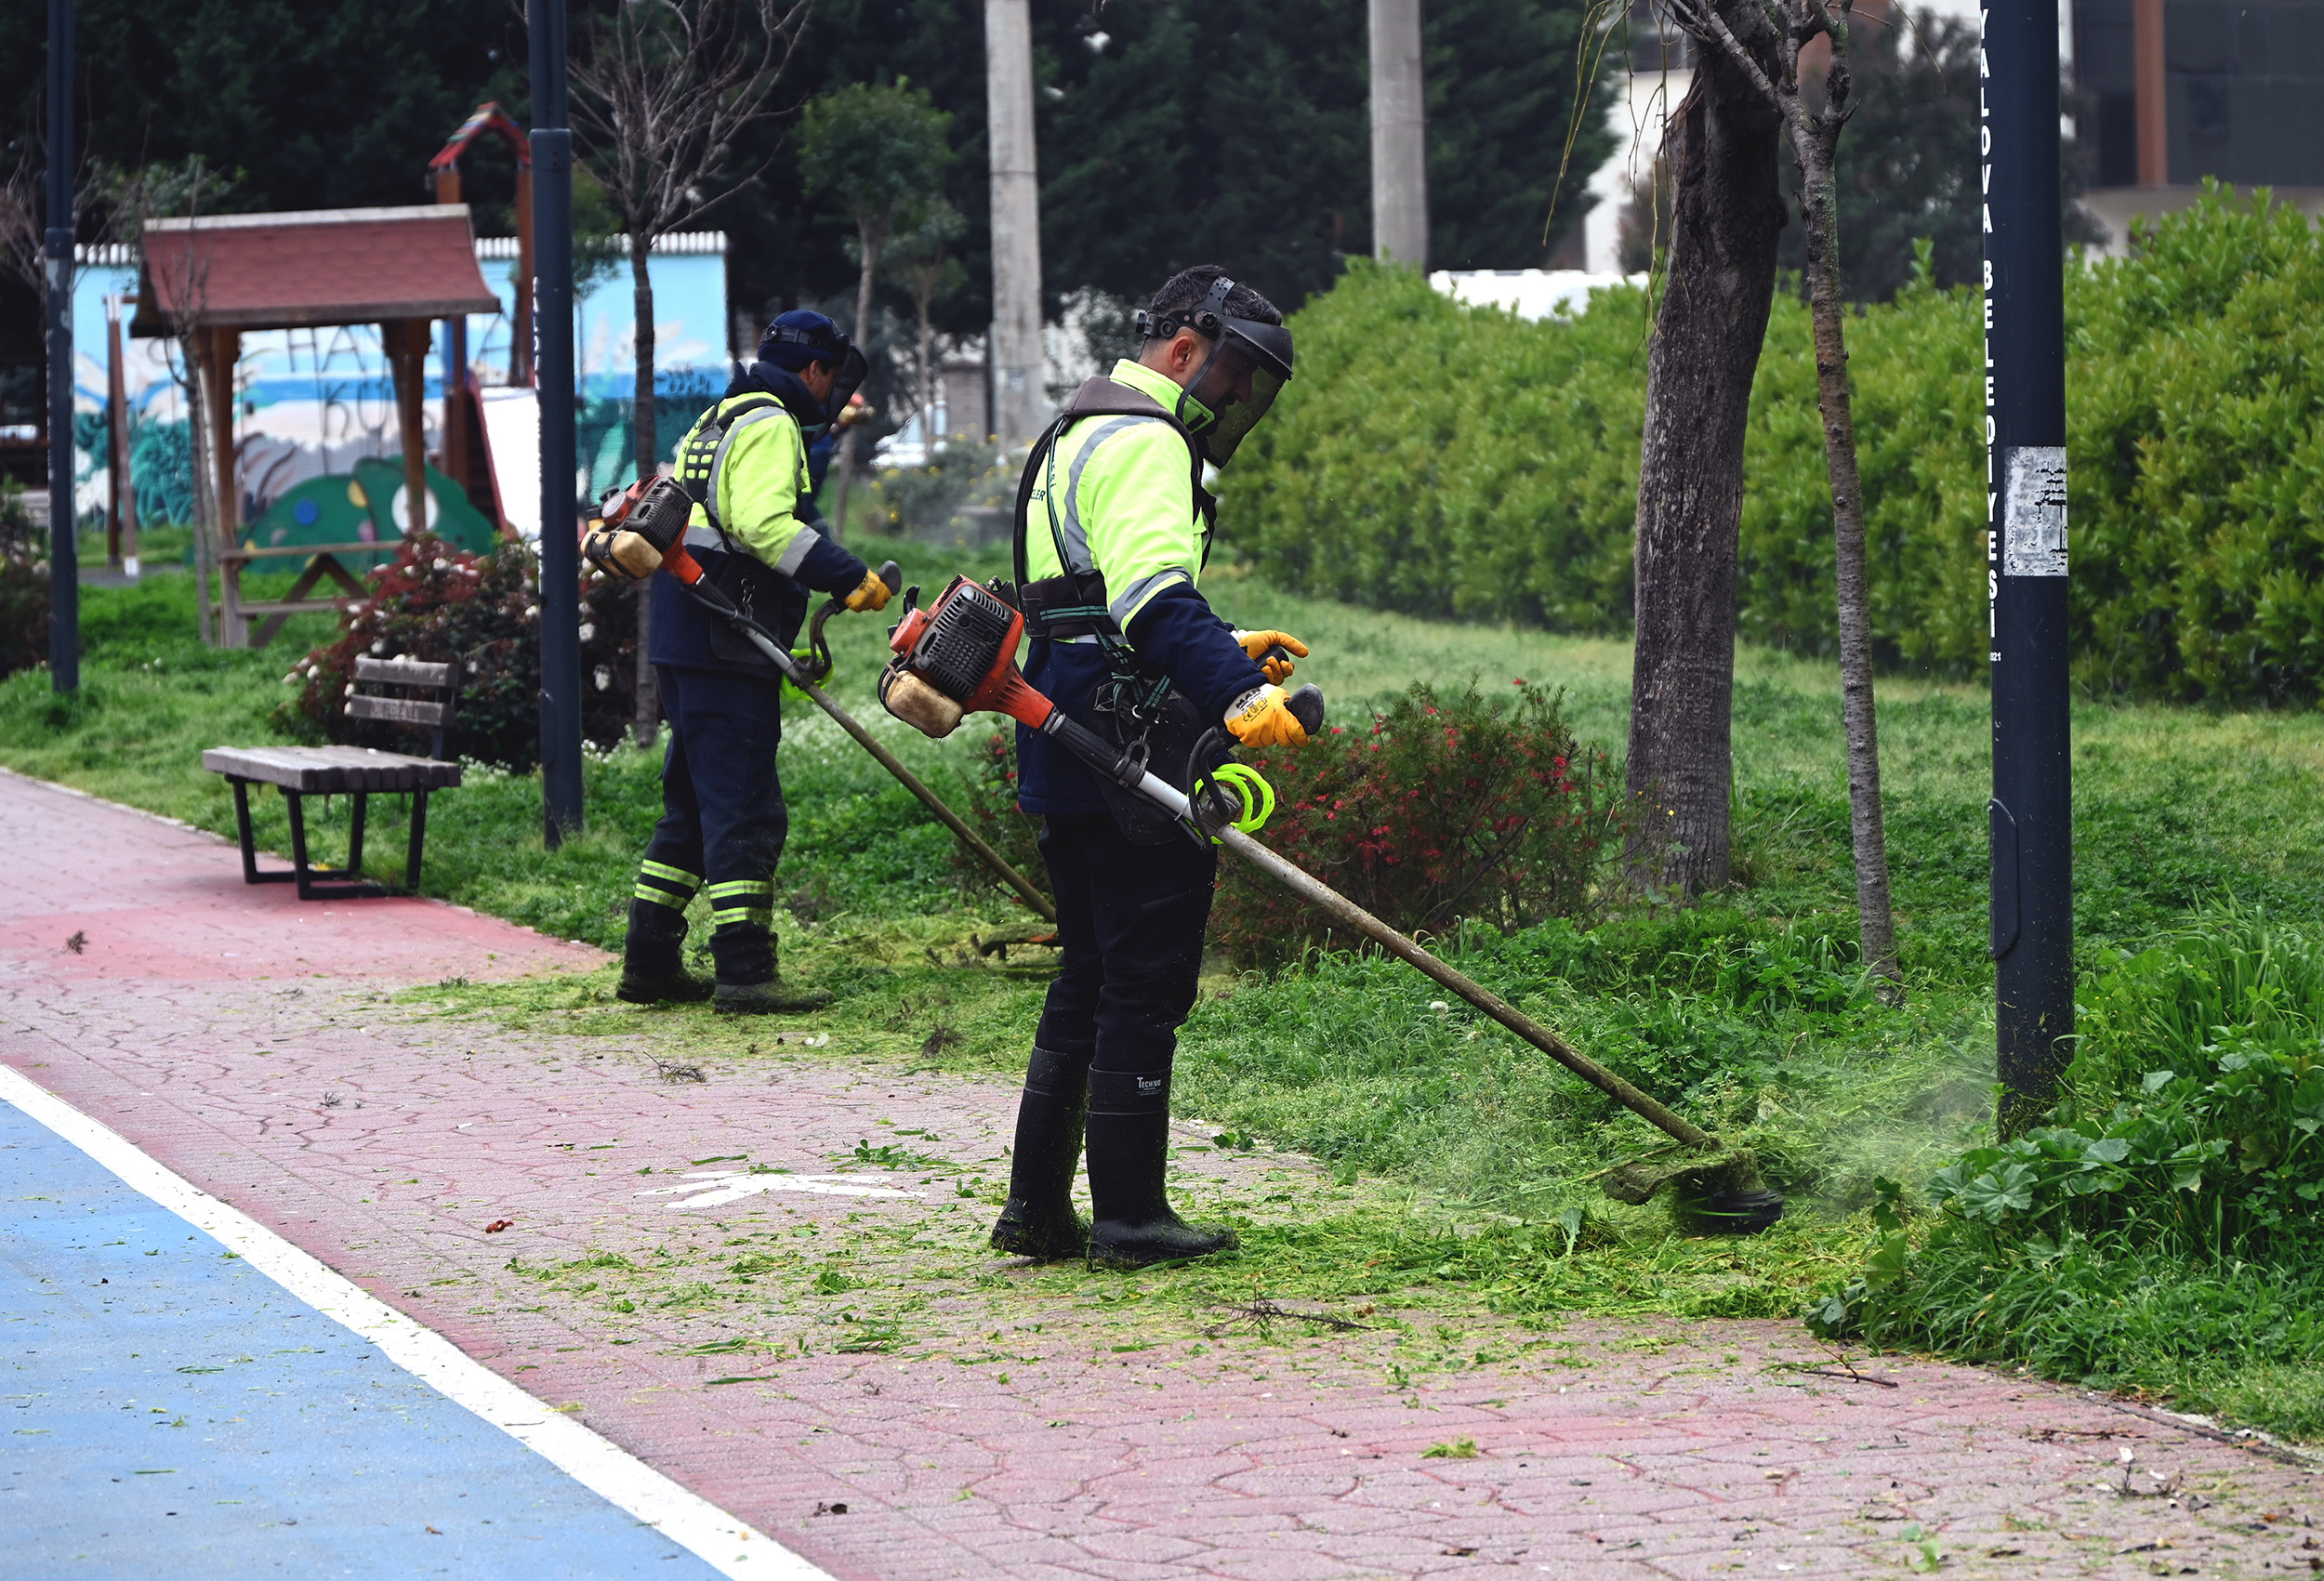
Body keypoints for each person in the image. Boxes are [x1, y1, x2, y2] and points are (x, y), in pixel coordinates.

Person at [993, 264, 1310, 1269]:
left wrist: (1226, 639)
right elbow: (1152, 601)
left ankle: (1035, 1211)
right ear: (1185, 346)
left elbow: (1091, 597)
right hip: (1121, 747)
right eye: (1233, 377)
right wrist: (1238, 697)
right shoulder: (1145, 440)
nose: (1234, 402)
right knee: (1142, 981)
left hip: (1058, 726)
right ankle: (1130, 1216)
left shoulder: (1076, 428)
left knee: (1086, 974)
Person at [611, 310, 893, 1014]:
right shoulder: (770, 423)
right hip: (725, 638)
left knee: (691, 806)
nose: (831, 391)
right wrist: (844, 574)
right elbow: (762, 524)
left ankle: (649, 961)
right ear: (815, 371)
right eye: (831, 375)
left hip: (686, 637)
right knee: (744, 808)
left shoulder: (717, 418)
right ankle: (745, 970)